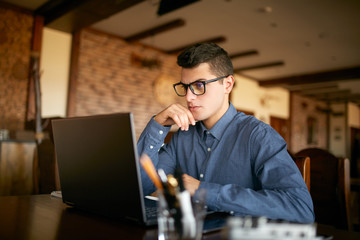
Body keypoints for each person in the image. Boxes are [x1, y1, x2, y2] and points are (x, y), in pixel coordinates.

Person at [137, 42, 314, 223]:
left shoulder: (258, 136)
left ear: (227, 84)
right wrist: (157, 125)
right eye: (185, 87)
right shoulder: (182, 136)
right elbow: (141, 188)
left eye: (199, 85)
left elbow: (300, 207)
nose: (188, 97)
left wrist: (203, 191)